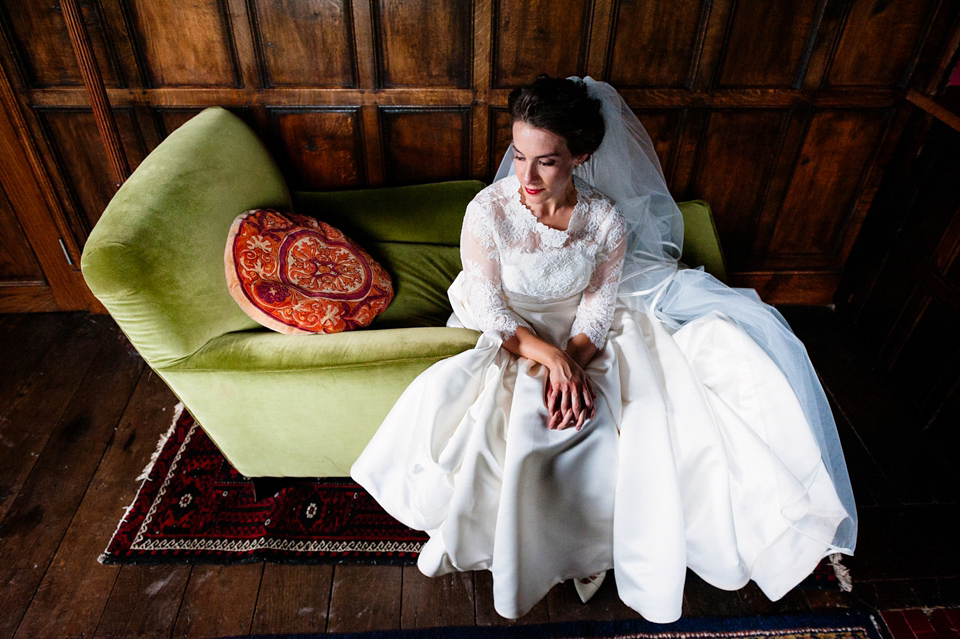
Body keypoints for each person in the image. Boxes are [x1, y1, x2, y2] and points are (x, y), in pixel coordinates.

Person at [351, 75, 857, 623]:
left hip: (585, 334)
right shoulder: (488, 211)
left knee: (614, 421)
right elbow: (490, 307)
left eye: (546, 161)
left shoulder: (604, 220)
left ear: (581, 157)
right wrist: (553, 361)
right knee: (523, 426)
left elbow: (596, 307)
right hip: (513, 331)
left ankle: (593, 551)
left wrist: (576, 360)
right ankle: (526, 551)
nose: (526, 175)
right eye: (519, 155)